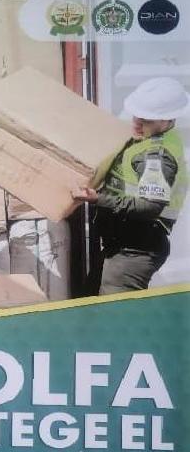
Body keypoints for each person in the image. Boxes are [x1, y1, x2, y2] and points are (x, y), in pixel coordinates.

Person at [73, 77, 188, 294]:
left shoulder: (157, 157)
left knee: (116, 318)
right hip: (122, 245)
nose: (136, 122)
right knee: (89, 302)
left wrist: (98, 198)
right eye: (136, 115)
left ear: (166, 120)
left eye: (146, 119)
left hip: (135, 250)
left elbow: (150, 207)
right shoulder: (149, 137)